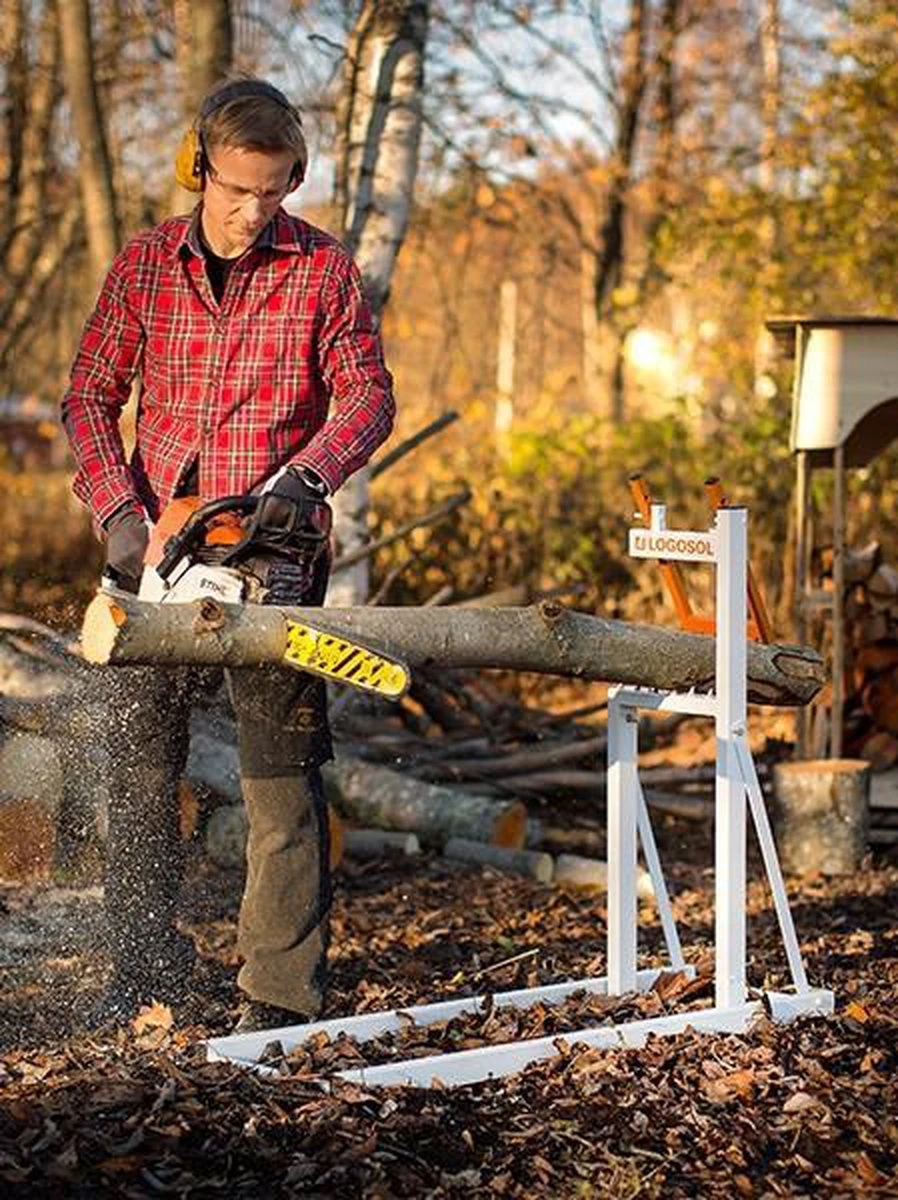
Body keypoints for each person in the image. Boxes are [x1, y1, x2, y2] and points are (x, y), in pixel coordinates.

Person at [61, 77, 395, 1031]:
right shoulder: (147, 263)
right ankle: (144, 969)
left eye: (276, 190)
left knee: (279, 783)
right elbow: (88, 395)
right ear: (199, 168)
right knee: (138, 767)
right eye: (238, 189)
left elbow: (368, 397)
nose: (255, 211)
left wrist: (309, 479)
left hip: (272, 562)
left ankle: (278, 999)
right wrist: (122, 514)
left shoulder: (322, 269)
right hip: (152, 555)